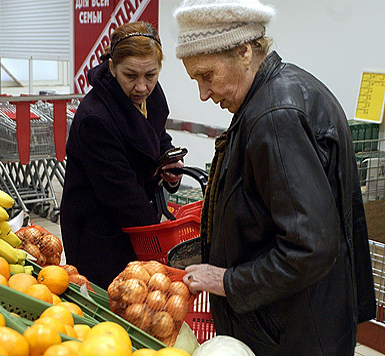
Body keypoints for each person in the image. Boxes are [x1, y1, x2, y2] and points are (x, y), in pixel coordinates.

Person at [173, 0, 376, 355]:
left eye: (208, 76)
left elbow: (308, 247)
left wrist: (226, 281)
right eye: (196, 80)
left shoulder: (274, 116)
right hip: (308, 320)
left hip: (294, 335)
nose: (203, 94)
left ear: (245, 52)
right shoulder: (288, 87)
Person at [60, 21, 183, 289]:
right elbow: (121, 194)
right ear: (112, 67)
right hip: (100, 233)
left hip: (135, 221)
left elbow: (157, 134)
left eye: (150, 75)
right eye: (131, 76)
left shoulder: (151, 95)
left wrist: (169, 160)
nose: (141, 86)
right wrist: (161, 242)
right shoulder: (96, 118)